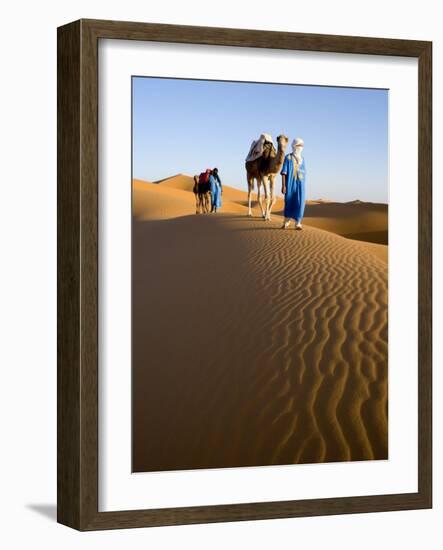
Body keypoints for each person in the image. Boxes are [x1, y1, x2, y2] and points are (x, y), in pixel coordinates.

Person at [280, 137, 306, 230]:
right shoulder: (288, 157)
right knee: (289, 201)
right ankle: (286, 222)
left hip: (300, 185)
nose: (300, 147)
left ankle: (298, 223)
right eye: (299, 145)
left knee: (300, 202)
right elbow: (284, 172)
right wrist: (283, 185)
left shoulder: (302, 159)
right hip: (290, 184)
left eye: (302, 146)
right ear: (294, 146)